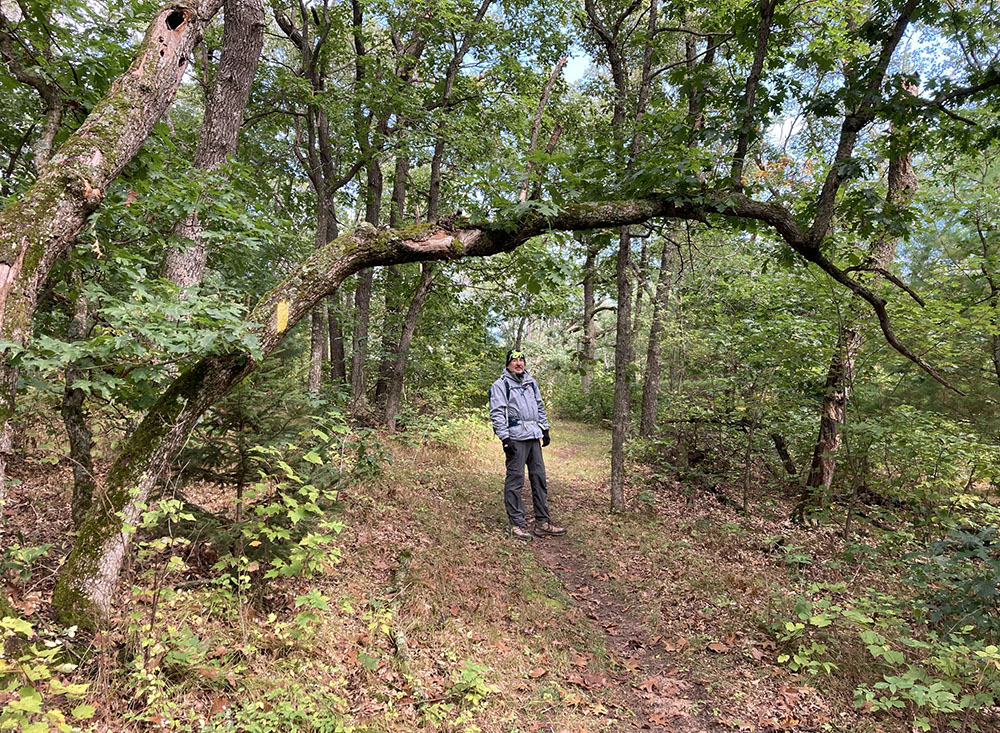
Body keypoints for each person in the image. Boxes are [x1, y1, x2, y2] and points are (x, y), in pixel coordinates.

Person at [489, 349, 567, 541]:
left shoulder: (531, 383)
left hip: (533, 437)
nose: (519, 363)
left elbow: (539, 406)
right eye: (514, 360)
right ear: (508, 363)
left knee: (539, 478)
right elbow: (497, 413)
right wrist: (505, 439)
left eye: (521, 360)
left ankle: (542, 523)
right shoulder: (501, 385)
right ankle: (517, 524)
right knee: (515, 481)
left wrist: (545, 429)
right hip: (515, 438)